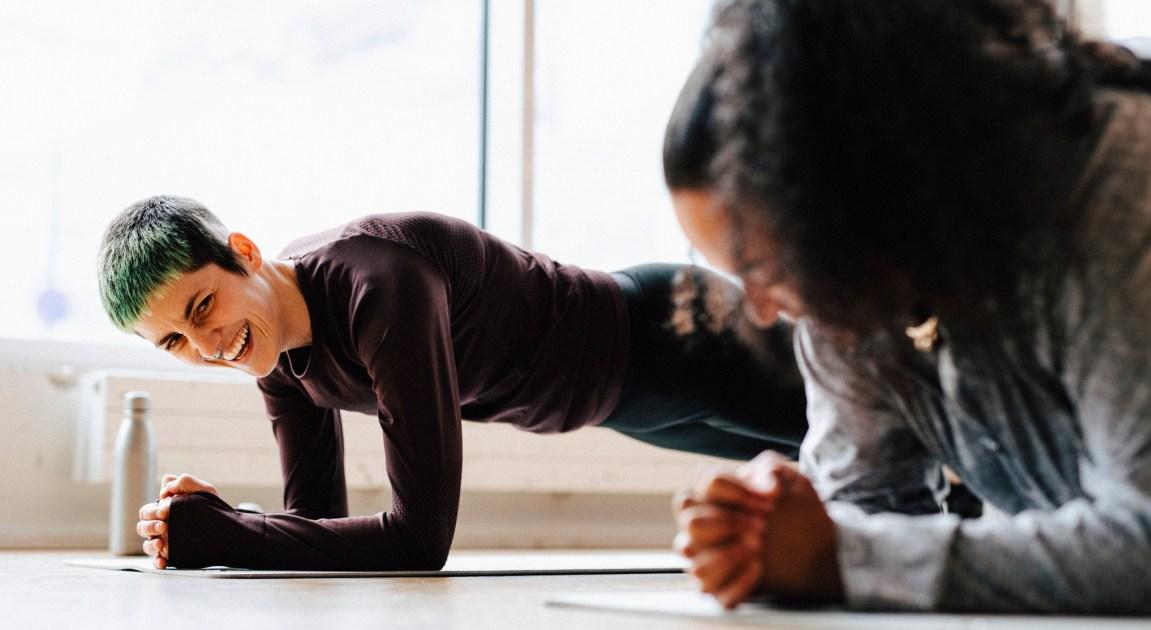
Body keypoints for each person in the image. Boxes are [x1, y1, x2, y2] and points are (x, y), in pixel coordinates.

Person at [666, 0, 1151, 615]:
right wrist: (774, 535)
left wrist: (836, 556)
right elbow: (866, 514)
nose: (762, 311)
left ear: (870, 195)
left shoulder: (1122, 177)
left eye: (769, 271)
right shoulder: (844, 284)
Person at [97, 197, 808, 570]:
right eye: (175, 343)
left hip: (672, 334)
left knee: (902, 447)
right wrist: (227, 522)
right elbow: (318, 526)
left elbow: (418, 540)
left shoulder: (377, 285)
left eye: (202, 308)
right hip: (622, 403)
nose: (209, 346)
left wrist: (228, 537)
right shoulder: (276, 354)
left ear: (243, 253)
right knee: (865, 474)